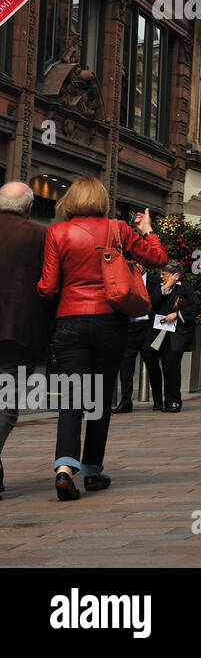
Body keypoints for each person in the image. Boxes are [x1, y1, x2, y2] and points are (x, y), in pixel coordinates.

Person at [37, 177, 167, 500]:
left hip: (69, 321)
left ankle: (65, 468)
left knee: (71, 396)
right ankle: (93, 471)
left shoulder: (56, 233)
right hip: (110, 322)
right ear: (101, 199)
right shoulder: (118, 229)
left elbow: (48, 287)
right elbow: (158, 259)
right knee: (99, 396)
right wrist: (148, 229)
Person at [0, 182, 53, 499]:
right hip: (18, 331)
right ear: (30, 208)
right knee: (5, 404)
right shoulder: (41, 236)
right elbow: (49, 285)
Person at [151, 260, 201, 412]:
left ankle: (175, 401)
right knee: (165, 367)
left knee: (172, 367)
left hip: (177, 334)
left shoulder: (185, 287)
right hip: (161, 333)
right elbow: (151, 303)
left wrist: (177, 315)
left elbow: (196, 306)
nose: (161, 277)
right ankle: (166, 400)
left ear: (175, 275)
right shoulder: (162, 287)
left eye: (164, 274)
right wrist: (165, 287)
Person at [112, 265, 163, 413]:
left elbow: (157, 300)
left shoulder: (154, 280)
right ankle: (126, 401)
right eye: (134, 263)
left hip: (147, 327)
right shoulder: (124, 279)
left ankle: (158, 400)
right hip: (129, 326)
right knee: (126, 365)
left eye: (140, 263)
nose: (138, 266)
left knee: (151, 363)